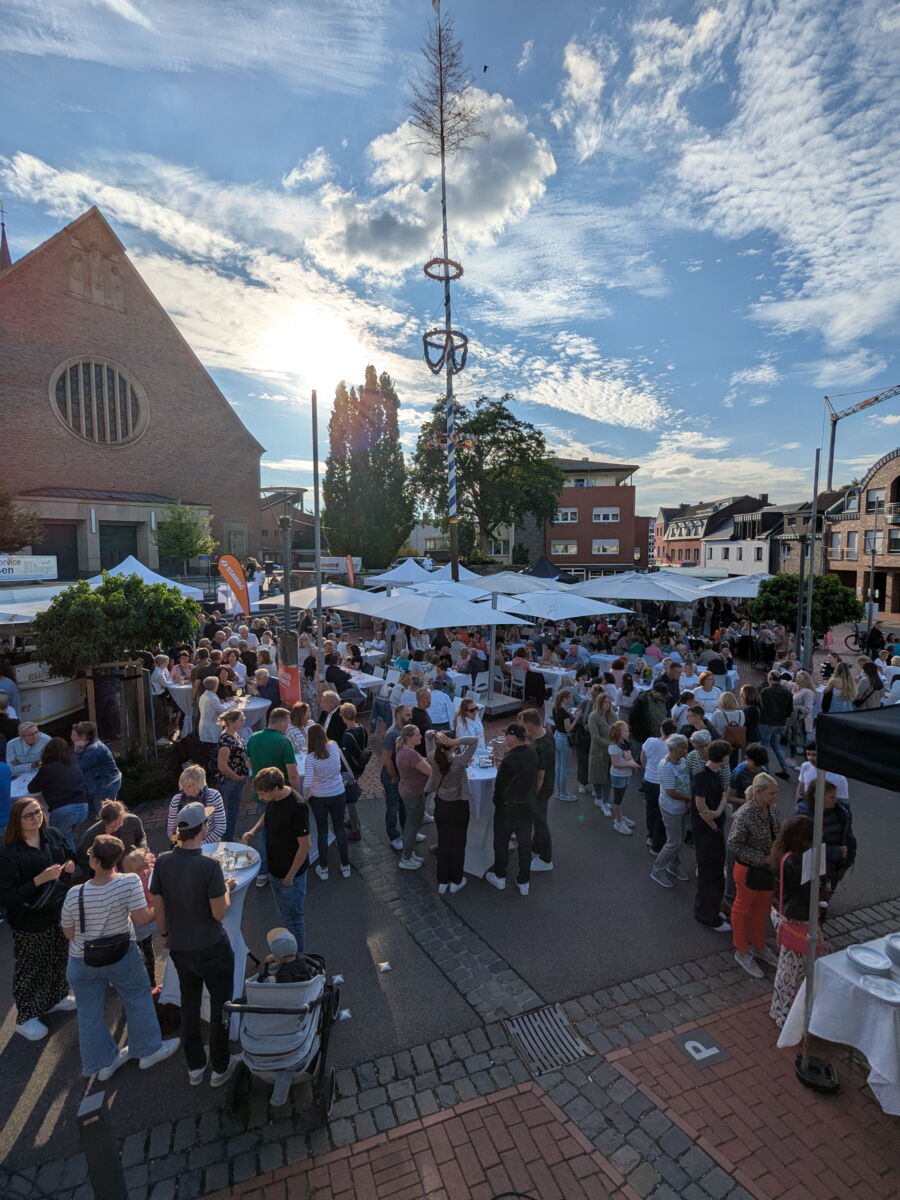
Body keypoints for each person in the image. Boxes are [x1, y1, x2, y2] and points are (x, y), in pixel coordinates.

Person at [61, 834, 179, 1079]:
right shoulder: (128, 882)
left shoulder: (74, 893)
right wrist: (163, 903)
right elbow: (143, 919)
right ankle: (148, 1050)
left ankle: (104, 1064)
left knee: (89, 1013)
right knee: (137, 998)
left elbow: (69, 933)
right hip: (121, 955)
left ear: (93, 861)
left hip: (82, 961)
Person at [150, 802, 240, 1088]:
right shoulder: (209, 867)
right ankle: (221, 1066)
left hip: (180, 948)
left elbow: (159, 906)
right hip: (212, 947)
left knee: (189, 1005)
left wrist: (165, 935)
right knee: (220, 1006)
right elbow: (219, 912)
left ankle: (195, 1065)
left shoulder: (163, 861)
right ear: (203, 829)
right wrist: (227, 887)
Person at [0, 798, 76, 1040]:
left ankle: (56, 997)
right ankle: (25, 1016)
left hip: (58, 912)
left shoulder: (52, 835)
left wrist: (72, 865)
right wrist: (38, 880)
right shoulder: (9, 853)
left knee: (59, 957)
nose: (36, 818)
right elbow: (5, 895)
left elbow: (71, 855)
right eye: (29, 815)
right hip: (29, 921)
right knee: (31, 967)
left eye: (38, 812)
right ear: (17, 821)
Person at [242, 766, 311, 946]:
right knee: (286, 916)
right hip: (275, 871)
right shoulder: (273, 799)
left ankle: (298, 962)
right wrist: (253, 831)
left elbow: (305, 846)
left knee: (294, 921)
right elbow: (267, 815)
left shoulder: (297, 806)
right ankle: (290, 955)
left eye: (262, 794)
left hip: (291, 877)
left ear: (274, 789)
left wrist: (289, 876)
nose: (260, 798)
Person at [769, 815, 821, 1027]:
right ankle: (784, 1015)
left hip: (785, 914)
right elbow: (807, 892)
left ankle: (780, 1010)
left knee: (788, 968)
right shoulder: (796, 863)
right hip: (796, 919)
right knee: (792, 971)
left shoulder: (785, 856)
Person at [728, 772, 781, 977]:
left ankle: (759, 947)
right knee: (742, 909)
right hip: (748, 870)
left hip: (767, 869)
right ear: (758, 792)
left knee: (762, 909)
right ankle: (742, 951)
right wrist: (761, 858)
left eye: (775, 793)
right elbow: (734, 844)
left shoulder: (772, 809)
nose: (774, 797)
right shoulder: (745, 814)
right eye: (771, 793)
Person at [247, 709, 300, 888]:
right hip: (280, 795)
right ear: (281, 721)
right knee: (284, 833)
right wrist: (295, 794)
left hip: (261, 793)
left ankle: (262, 873)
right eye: (288, 722)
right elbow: (293, 774)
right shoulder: (284, 741)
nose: (288, 726)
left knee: (265, 831)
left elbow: (250, 763)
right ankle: (280, 869)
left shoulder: (254, 738)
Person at [485, 724, 538, 896]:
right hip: (527, 808)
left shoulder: (509, 760)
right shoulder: (532, 753)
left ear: (514, 737)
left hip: (507, 810)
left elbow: (500, 788)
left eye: (506, 735)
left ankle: (500, 875)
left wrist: (497, 802)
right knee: (524, 845)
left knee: (501, 843)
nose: (505, 738)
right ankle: (524, 880)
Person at [424, 730, 478, 894]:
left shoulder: (433, 758)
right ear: (451, 745)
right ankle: (456, 880)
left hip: (441, 804)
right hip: (458, 806)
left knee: (444, 841)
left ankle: (442, 881)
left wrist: (434, 733)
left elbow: (427, 736)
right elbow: (474, 741)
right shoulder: (459, 762)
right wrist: (455, 741)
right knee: (458, 843)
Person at [691, 740, 732, 932]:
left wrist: (717, 812)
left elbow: (724, 796)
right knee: (709, 874)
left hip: (714, 831)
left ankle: (712, 908)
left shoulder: (715, 774)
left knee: (715, 872)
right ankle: (707, 914)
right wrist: (714, 823)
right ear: (723, 757)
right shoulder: (702, 776)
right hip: (707, 834)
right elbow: (701, 807)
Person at [301, 723, 349, 881]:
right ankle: (345, 865)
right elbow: (339, 767)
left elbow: (307, 784)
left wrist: (305, 798)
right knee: (339, 829)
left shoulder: (310, 758)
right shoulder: (334, 746)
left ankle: (324, 868)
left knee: (322, 832)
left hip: (319, 797)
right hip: (338, 793)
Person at [796, 779, 856, 897]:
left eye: (835, 796)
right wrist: (836, 851)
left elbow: (847, 832)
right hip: (820, 864)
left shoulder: (841, 810)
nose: (836, 800)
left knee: (826, 894)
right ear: (817, 796)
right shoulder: (804, 816)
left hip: (837, 862)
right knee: (814, 896)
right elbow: (805, 846)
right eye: (831, 797)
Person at [28, 737, 89, 850]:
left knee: (63, 841)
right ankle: (76, 859)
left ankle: (71, 864)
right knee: (70, 836)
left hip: (63, 810)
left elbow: (31, 788)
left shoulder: (47, 769)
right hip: (83, 806)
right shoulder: (73, 760)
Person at [649, 734, 692, 889]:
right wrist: (691, 798)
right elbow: (671, 792)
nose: (686, 750)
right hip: (671, 808)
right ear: (673, 749)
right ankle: (657, 870)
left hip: (684, 806)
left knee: (679, 839)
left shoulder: (683, 760)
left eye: (686, 746)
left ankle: (674, 865)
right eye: (683, 747)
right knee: (673, 842)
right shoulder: (665, 766)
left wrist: (688, 801)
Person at [521, 708, 555, 869]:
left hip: (541, 788)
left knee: (540, 822)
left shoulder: (542, 746)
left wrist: (532, 794)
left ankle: (546, 859)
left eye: (524, 725)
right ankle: (537, 846)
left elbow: (540, 777)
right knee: (538, 819)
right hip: (548, 784)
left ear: (530, 723)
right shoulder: (546, 733)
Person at [395, 723, 433, 869]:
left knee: (413, 824)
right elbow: (430, 771)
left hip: (408, 791)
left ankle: (410, 854)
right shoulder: (411, 754)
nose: (420, 737)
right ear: (409, 738)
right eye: (417, 735)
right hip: (414, 794)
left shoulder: (403, 750)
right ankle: (405, 858)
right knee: (412, 826)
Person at [75, 800, 146, 877]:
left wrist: (141, 848)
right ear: (104, 821)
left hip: (131, 865)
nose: (115, 828)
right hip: (108, 873)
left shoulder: (133, 820)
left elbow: (141, 837)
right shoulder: (92, 834)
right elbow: (82, 857)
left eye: (119, 823)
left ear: (122, 815)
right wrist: (96, 874)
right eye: (112, 826)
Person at [71, 721, 122, 818]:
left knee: (106, 816)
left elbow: (78, 768)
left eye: (74, 735)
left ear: (84, 737)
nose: (71, 737)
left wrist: (76, 752)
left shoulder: (94, 749)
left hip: (104, 787)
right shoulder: (87, 746)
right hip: (97, 786)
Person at [640, 719, 677, 854]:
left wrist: (647, 770)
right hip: (664, 783)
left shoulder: (650, 742)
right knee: (662, 814)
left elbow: (642, 758)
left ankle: (650, 835)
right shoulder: (674, 746)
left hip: (649, 780)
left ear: (661, 729)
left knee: (650, 810)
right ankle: (658, 842)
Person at [166, 765, 226, 845]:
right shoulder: (176, 800)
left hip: (209, 843)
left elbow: (221, 827)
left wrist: (200, 844)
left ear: (200, 784)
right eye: (183, 786)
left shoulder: (214, 796)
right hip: (184, 845)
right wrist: (180, 843)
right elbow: (171, 829)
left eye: (189, 786)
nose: (185, 790)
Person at [216, 710, 250, 843]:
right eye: (241, 720)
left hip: (238, 779)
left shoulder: (234, 735)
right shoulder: (226, 739)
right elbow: (222, 766)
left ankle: (229, 837)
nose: (243, 722)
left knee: (233, 811)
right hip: (232, 781)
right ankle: (228, 840)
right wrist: (237, 778)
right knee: (232, 812)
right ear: (230, 722)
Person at [381, 705, 412, 852]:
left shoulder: (403, 732)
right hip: (391, 777)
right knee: (393, 807)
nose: (410, 717)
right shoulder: (392, 734)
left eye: (410, 715)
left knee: (404, 806)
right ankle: (393, 837)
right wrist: (393, 776)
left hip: (401, 776)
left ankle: (408, 832)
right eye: (407, 715)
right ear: (399, 715)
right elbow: (386, 758)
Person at [758, 671, 793, 779]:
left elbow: (760, 707)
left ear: (770, 678)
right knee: (777, 746)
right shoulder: (787, 692)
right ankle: (784, 769)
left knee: (765, 746)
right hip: (780, 723)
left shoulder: (765, 691)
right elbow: (789, 710)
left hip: (766, 722)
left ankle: (766, 771)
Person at [607, 720, 639, 836]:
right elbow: (615, 763)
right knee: (618, 800)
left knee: (621, 798)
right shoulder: (614, 747)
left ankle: (620, 816)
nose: (628, 732)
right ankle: (618, 822)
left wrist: (632, 763)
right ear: (618, 733)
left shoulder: (625, 742)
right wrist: (631, 765)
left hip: (626, 775)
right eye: (626, 731)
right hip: (618, 776)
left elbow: (628, 757)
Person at [588, 691, 614, 816]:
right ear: (600, 703)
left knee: (608, 777)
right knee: (598, 776)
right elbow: (595, 737)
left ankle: (604, 802)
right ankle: (599, 798)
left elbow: (618, 729)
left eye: (609, 702)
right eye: (605, 702)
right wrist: (610, 744)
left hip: (611, 752)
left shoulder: (613, 715)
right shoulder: (593, 716)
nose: (608, 705)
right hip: (598, 751)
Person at [551, 690, 576, 802]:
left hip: (556, 736)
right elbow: (568, 729)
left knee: (558, 765)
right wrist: (576, 718)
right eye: (570, 697)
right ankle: (563, 793)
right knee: (564, 767)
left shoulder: (555, 708)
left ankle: (558, 792)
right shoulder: (564, 713)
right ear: (565, 699)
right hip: (564, 739)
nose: (571, 699)